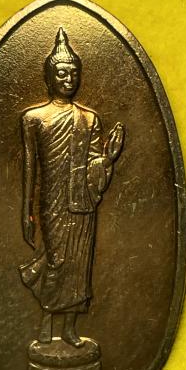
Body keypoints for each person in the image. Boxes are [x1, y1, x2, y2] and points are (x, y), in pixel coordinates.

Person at [19, 27, 125, 347]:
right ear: (49, 77)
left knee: (79, 264)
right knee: (57, 260)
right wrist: (26, 212)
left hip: (81, 203)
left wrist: (108, 158)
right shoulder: (34, 118)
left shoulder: (89, 119)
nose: (69, 79)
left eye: (74, 73)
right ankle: (46, 321)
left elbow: (95, 164)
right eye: (62, 73)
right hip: (51, 202)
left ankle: (67, 329)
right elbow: (29, 169)